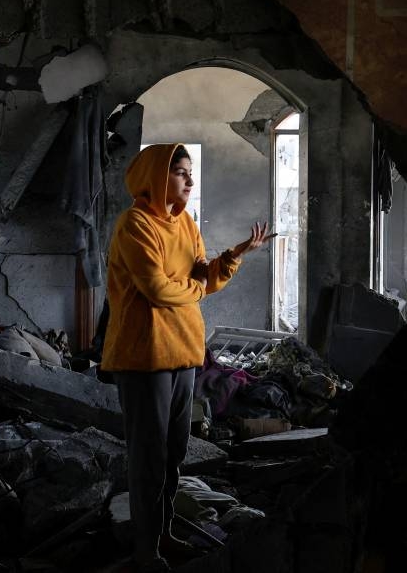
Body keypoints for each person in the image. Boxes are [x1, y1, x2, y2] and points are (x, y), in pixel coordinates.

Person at [102, 143, 270, 571]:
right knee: (148, 455)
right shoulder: (135, 224)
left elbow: (203, 278)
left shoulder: (186, 225)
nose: (189, 181)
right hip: (145, 354)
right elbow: (158, 290)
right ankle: (145, 550)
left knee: (174, 452)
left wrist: (232, 256)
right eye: (180, 172)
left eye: (190, 172)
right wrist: (194, 289)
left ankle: (165, 534)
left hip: (184, 350)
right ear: (156, 177)